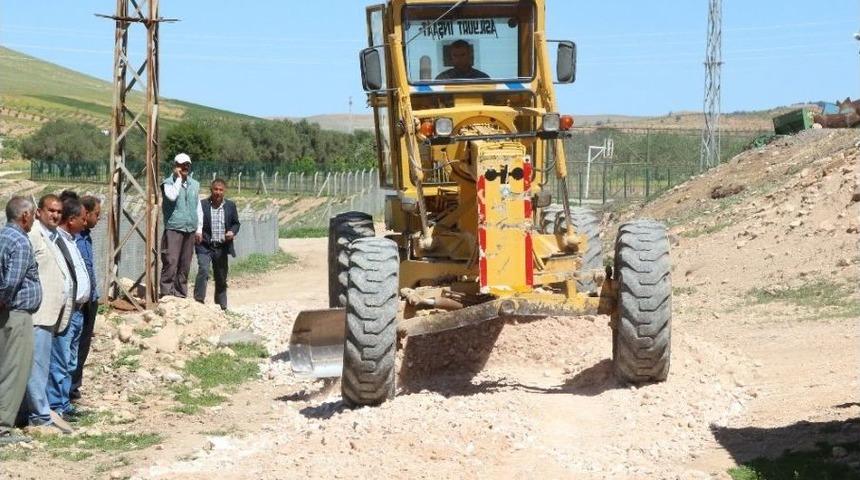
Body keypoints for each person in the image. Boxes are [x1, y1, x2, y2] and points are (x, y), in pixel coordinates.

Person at [22, 195, 74, 435]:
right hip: (38, 314)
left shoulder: (54, 237)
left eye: (58, 212)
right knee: (37, 367)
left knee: (44, 367)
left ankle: (40, 411)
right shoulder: (33, 237)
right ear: (38, 212)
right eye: (50, 211)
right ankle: (40, 417)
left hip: (53, 314)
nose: (55, 215)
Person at [0, 196, 41, 445]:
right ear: (24, 215)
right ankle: (3, 427)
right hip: (16, 314)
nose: (34, 218)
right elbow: (13, 281)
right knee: (14, 369)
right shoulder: (21, 241)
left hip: (7, 313)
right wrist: (4, 299)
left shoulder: (3, 235)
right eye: (34, 214)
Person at [47, 196, 90, 420]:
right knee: (61, 359)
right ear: (71, 220)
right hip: (67, 311)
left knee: (71, 359)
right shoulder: (57, 241)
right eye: (82, 218)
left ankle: (64, 402)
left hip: (79, 310)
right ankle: (56, 405)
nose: (86, 222)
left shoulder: (73, 240)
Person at [71, 195, 101, 401]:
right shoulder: (73, 238)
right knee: (75, 345)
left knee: (83, 345)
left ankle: (74, 386)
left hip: (91, 298)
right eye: (96, 214)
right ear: (86, 214)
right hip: (79, 302)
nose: (98, 219)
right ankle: (68, 390)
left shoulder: (86, 237)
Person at [194, 179, 241, 310]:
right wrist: (198, 232)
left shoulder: (230, 206)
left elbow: (236, 223)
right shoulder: (202, 205)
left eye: (221, 190)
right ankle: (198, 301)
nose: (218, 192)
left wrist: (232, 231)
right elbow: (196, 220)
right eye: (216, 189)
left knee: (221, 275)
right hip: (205, 245)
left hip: (221, 246)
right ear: (211, 190)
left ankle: (221, 304)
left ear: (224, 191)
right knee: (203, 269)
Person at [160, 153, 200, 298]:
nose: (185, 167)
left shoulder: (194, 184)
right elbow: (172, 196)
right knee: (171, 261)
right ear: (175, 166)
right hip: (174, 228)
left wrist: (199, 229)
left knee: (185, 263)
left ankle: (180, 293)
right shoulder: (168, 183)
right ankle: (166, 293)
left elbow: (197, 207)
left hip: (190, 228)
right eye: (182, 165)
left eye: (187, 165)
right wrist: (178, 179)